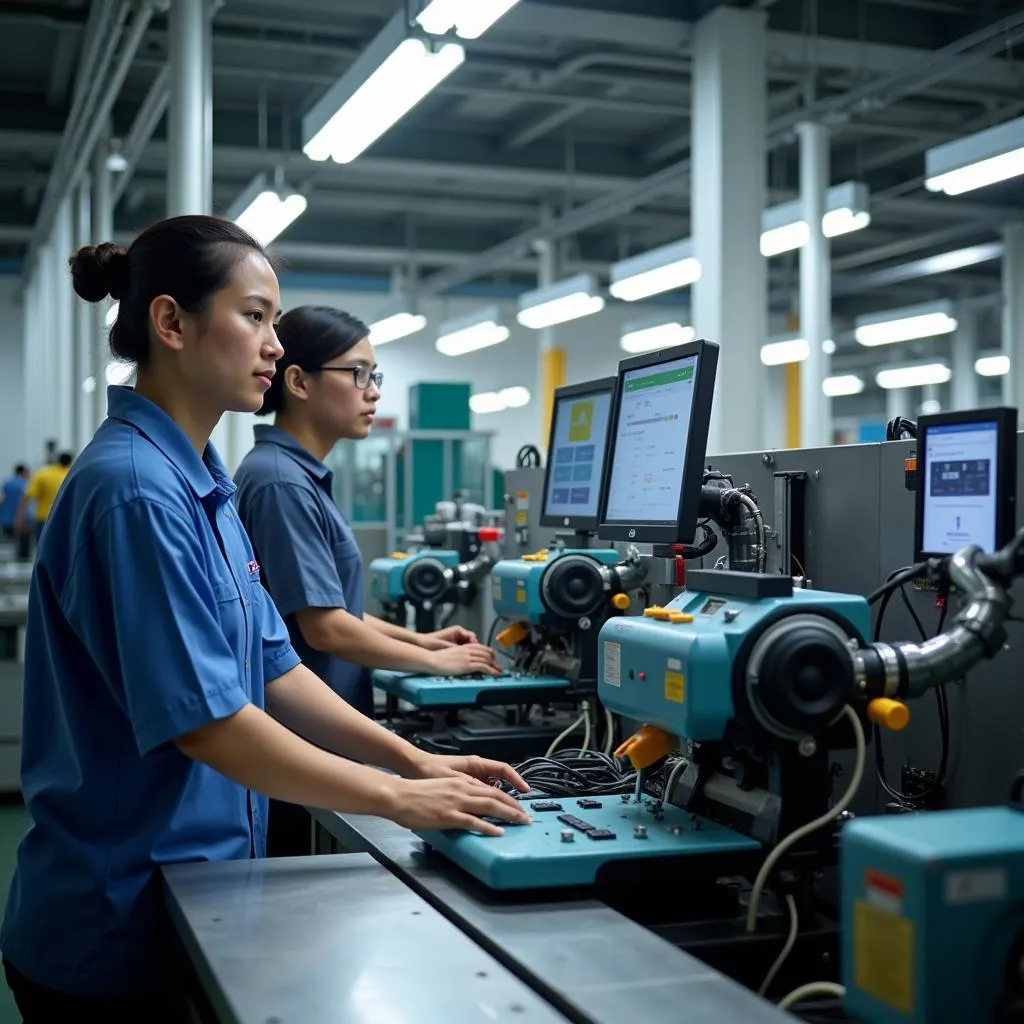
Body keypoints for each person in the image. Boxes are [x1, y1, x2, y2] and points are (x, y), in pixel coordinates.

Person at [0, 215, 529, 1022]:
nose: (276, 344)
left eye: (274, 320)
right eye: (254, 316)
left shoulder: (205, 485)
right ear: (171, 322)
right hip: (114, 925)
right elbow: (210, 725)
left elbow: (276, 669)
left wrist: (411, 761)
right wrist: (391, 798)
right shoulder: (137, 491)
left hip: (188, 897)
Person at [234, 305, 501, 722]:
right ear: (299, 381)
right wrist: (434, 663)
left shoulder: (294, 475)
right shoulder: (280, 482)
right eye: (358, 374)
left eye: (374, 376)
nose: (373, 391)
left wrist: (423, 642)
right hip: (306, 736)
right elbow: (325, 629)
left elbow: (338, 612)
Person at [14, 452, 72, 543]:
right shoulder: (70, 475)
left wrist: (19, 520)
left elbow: (26, 497)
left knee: (42, 552)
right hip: (64, 521)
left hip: (43, 520)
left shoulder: (42, 474)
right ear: (69, 462)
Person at [0, 464, 29, 544]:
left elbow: (2, 499)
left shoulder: (7, 482)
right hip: (21, 520)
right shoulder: (25, 484)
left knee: (7, 543)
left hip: (6, 519)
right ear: (23, 472)